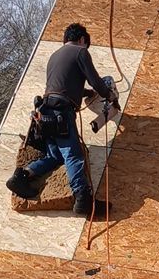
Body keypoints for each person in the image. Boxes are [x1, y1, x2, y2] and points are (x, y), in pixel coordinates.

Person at [6, 23, 120, 218]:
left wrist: (86, 93)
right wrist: (108, 95)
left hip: (45, 113)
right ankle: (83, 200)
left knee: (55, 156)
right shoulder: (80, 52)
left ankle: (22, 175)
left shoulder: (54, 56)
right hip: (61, 113)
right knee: (73, 156)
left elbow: (62, 85)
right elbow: (94, 80)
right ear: (82, 40)